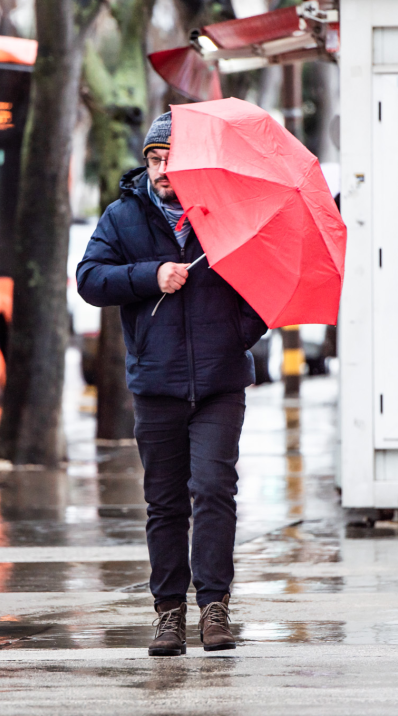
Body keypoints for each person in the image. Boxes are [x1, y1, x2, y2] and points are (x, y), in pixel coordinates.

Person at [76, 111, 268, 656]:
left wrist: (235, 334)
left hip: (220, 382)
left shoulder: (225, 215)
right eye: (154, 159)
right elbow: (89, 279)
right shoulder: (122, 217)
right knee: (164, 502)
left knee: (213, 488)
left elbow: (262, 288)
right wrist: (150, 275)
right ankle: (168, 613)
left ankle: (214, 606)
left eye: (172, 159)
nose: (162, 170)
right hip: (157, 383)